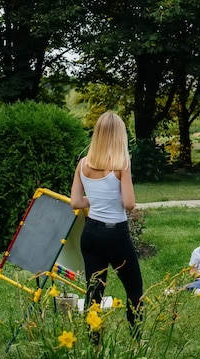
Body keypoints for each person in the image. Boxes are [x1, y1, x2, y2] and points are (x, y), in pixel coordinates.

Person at [70, 111, 143, 337]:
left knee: (94, 291)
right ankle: (137, 338)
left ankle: (94, 342)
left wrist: (97, 198)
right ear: (119, 135)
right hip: (116, 235)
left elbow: (75, 202)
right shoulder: (122, 163)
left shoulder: (83, 164)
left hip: (91, 233)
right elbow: (129, 204)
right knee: (134, 288)